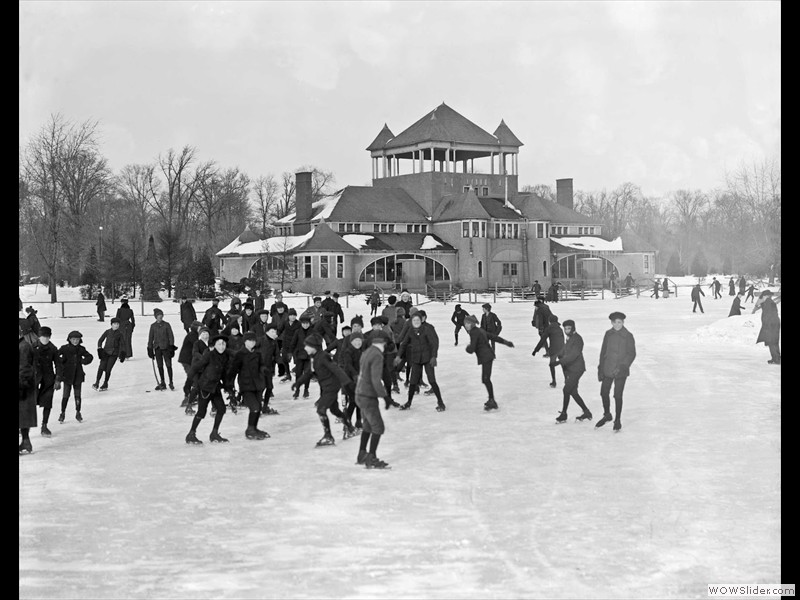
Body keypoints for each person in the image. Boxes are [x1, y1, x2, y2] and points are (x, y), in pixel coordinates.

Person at [293, 333, 355, 447]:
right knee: (334, 410)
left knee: (321, 409)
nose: (305, 348)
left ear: (314, 347)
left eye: (307, 346)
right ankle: (350, 428)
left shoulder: (323, 357)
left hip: (331, 387)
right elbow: (308, 373)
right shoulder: (314, 358)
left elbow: (336, 369)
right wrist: (298, 382)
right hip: (326, 386)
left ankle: (328, 436)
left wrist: (347, 382)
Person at [185, 334, 234, 444]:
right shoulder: (209, 355)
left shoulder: (225, 357)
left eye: (223, 344)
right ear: (215, 345)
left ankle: (214, 434)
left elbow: (224, 375)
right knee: (201, 412)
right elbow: (196, 367)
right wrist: (188, 383)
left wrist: (229, 389)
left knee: (221, 409)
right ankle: (191, 434)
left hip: (215, 387)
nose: (221, 346)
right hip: (205, 388)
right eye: (219, 344)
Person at [354, 329, 392, 468]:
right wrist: (385, 396)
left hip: (360, 393)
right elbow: (376, 380)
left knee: (368, 426)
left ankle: (362, 454)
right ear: (383, 342)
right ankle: (372, 458)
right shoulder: (377, 355)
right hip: (368, 396)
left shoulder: (366, 352)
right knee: (378, 427)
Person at [463, 314, 514, 411]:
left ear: (472, 324)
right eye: (465, 323)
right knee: (485, 379)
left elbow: (472, 348)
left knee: (486, 379)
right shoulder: (480, 330)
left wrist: (468, 348)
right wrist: (506, 342)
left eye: (468, 323)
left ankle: (492, 401)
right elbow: (493, 337)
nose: (466, 325)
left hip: (486, 357)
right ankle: (491, 400)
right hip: (488, 356)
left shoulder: (474, 332)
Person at [396, 312, 445, 412]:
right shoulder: (410, 331)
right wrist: (398, 356)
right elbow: (404, 344)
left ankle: (440, 402)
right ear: (411, 322)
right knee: (413, 381)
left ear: (421, 321)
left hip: (427, 359)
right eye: (414, 320)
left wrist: (434, 357)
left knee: (432, 380)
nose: (416, 322)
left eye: (418, 320)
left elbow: (433, 344)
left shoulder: (426, 330)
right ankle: (408, 402)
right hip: (416, 359)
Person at [596, 312, 636, 432]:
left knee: (617, 395)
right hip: (608, 368)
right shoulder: (608, 334)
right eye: (614, 322)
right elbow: (603, 352)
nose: (617, 325)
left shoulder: (628, 335)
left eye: (619, 322)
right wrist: (600, 368)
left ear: (623, 323)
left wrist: (623, 366)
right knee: (603, 393)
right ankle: (607, 414)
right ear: (611, 323)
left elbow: (632, 353)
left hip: (621, 371)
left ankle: (617, 420)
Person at [227, 331, 271, 439]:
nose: (252, 343)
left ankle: (254, 428)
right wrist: (229, 385)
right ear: (245, 342)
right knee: (254, 407)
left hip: (257, 384)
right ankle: (250, 430)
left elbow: (262, 365)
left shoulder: (257, 353)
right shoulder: (240, 354)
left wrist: (264, 370)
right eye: (250, 341)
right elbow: (233, 370)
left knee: (258, 407)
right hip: (246, 385)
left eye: (254, 341)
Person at [553, 319, 592, 423]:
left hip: (577, 369)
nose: (567, 330)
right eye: (565, 329)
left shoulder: (578, 339)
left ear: (573, 328)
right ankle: (586, 412)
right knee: (573, 392)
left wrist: (560, 362)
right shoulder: (569, 338)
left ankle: (564, 414)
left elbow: (574, 355)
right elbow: (565, 350)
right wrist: (556, 354)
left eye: (569, 328)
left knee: (566, 390)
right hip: (570, 368)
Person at [57, 330, 94, 423]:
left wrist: (83, 361)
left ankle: (78, 412)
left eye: (77, 339)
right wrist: (62, 360)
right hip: (67, 376)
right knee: (65, 395)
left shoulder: (81, 349)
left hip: (78, 376)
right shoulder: (64, 348)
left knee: (77, 395)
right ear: (69, 339)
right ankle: (62, 413)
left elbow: (89, 356)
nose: (75, 341)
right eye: (73, 339)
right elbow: (56, 356)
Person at [33, 325, 62, 438]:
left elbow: (59, 365)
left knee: (47, 403)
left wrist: (58, 379)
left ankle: (44, 426)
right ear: (39, 337)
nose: (45, 339)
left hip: (48, 379)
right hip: (34, 379)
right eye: (43, 337)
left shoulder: (53, 349)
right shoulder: (32, 347)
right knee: (29, 403)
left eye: (47, 337)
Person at [339, 330, 364, 434]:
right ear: (351, 342)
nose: (358, 343)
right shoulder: (348, 351)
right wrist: (355, 375)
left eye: (359, 340)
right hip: (349, 381)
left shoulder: (360, 351)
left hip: (357, 380)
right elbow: (348, 365)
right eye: (355, 341)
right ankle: (347, 422)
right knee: (354, 401)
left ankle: (359, 422)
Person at [19, 320, 38, 454]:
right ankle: (26, 442)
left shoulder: (24, 347)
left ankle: (26, 442)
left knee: (23, 415)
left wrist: (22, 386)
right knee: (23, 416)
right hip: (24, 385)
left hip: (23, 386)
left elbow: (25, 368)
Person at [147, 308, 177, 391]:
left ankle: (171, 382)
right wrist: (149, 348)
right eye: (158, 316)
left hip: (166, 348)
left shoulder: (167, 325)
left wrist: (171, 346)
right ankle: (162, 382)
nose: (160, 317)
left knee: (168, 365)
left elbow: (171, 336)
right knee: (160, 365)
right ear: (155, 317)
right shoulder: (153, 326)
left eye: (161, 315)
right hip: (157, 348)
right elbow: (150, 338)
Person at [533, 314, 565, 388]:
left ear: (549, 321)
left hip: (554, 350)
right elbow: (562, 339)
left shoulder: (549, 329)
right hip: (562, 349)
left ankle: (554, 382)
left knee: (552, 365)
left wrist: (536, 350)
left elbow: (542, 340)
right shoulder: (560, 328)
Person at [93, 317, 125, 391]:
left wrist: (122, 353)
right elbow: (100, 340)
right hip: (105, 352)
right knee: (101, 367)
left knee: (108, 369)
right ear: (111, 324)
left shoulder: (120, 334)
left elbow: (123, 344)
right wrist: (99, 348)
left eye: (117, 324)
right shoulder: (107, 332)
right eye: (114, 324)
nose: (116, 325)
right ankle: (97, 382)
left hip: (114, 354)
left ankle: (105, 383)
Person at [753, 290, 781, 365]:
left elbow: (768, 314)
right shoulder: (769, 302)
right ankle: (776, 358)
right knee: (774, 342)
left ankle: (776, 360)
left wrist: (766, 325)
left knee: (772, 342)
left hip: (771, 324)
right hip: (774, 323)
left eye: (763, 296)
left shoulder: (768, 302)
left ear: (766, 296)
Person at [178, 320, 202, 407]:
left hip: (189, 360)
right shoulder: (193, 335)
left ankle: (191, 395)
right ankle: (188, 397)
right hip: (186, 360)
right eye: (199, 328)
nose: (201, 329)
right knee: (192, 378)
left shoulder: (195, 335)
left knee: (193, 378)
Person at [258, 324, 280, 415]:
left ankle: (265, 406)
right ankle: (257, 408)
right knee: (261, 388)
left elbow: (277, 354)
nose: (274, 333)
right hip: (260, 368)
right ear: (267, 332)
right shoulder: (261, 340)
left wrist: (281, 363)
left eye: (275, 332)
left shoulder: (274, 342)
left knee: (269, 387)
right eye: (272, 331)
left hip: (269, 368)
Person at [290, 316, 314, 398]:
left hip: (309, 357)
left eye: (307, 323)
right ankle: (297, 390)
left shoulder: (313, 332)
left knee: (307, 374)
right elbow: (293, 343)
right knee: (298, 374)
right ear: (301, 324)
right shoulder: (297, 332)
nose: (305, 325)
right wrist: (291, 352)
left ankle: (306, 390)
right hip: (299, 356)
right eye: (304, 323)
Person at [279, 308, 300, 383]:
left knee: (297, 360)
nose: (293, 317)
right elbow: (280, 330)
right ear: (288, 316)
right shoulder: (285, 323)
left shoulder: (298, 324)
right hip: (286, 344)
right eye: (291, 315)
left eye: (294, 315)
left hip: (295, 345)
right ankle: (288, 375)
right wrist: (275, 335)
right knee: (284, 360)